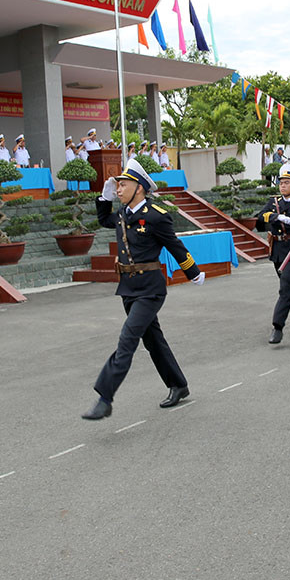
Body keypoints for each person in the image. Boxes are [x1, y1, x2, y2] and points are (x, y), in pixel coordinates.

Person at [82, 158, 204, 420]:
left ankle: (105, 397)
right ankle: (178, 385)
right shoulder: (123, 216)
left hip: (150, 290)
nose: (118, 190)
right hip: (128, 289)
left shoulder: (156, 217)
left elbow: (175, 246)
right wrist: (103, 199)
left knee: (127, 339)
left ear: (139, 187)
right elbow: (104, 219)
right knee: (153, 341)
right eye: (117, 186)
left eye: (123, 185)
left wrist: (193, 272)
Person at [254, 163, 290, 343]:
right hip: (278, 250)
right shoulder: (273, 202)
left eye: (287, 182)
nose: (283, 186)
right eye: (281, 183)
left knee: (285, 286)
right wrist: (276, 216)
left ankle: (277, 326)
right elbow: (260, 217)